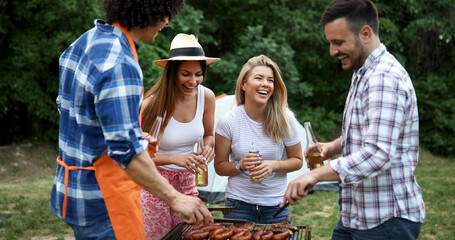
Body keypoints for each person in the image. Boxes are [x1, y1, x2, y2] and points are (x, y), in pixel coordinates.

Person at [50, 1, 213, 239]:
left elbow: (72, 112)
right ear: (148, 10)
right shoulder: (121, 64)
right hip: (106, 202)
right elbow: (126, 152)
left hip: (73, 193)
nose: (167, 22)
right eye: (165, 14)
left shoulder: (84, 42)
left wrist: (131, 133)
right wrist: (175, 197)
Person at [281, 0, 425, 239]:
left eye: (338, 42)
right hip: (357, 216)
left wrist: (315, 174)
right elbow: (365, 133)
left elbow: (378, 153)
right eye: (330, 42)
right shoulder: (363, 73)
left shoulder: (383, 78)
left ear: (365, 33)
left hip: (386, 221)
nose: (332, 51)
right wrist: (332, 147)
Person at [139, 33, 220, 239]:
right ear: (172, 72)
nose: (193, 81)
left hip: (188, 182)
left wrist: (209, 147)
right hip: (155, 184)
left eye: (198, 74)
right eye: (186, 74)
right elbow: (138, 156)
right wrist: (175, 158)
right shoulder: (151, 105)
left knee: (189, 235)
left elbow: (209, 134)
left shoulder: (207, 97)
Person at [214, 54, 303, 224]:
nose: (266, 84)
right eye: (259, 78)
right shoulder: (228, 121)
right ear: (244, 84)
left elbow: (298, 160)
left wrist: (274, 165)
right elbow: (220, 166)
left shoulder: (285, 118)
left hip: (275, 206)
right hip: (238, 205)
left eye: (270, 80)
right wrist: (240, 165)